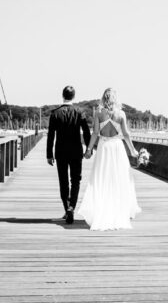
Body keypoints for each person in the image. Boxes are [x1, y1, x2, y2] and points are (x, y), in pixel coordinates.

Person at [77, 88, 141, 230]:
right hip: (117, 148)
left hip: (104, 148)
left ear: (103, 98)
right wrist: (132, 150)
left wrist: (88, 149)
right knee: (119, 179)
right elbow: (126, 134)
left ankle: (102, 211)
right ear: (115, 99)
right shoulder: (121, 114)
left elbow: (94, 133)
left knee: (102, 179)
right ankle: (118, 212)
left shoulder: (99, 113)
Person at [47, 85, 91, 224]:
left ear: (63, 96)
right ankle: (72, 207)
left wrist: (49, 154)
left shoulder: (55, 113)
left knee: (63, 181)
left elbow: (50, 135)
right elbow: (86, 132)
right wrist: (88, 149)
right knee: (76, 180)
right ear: (73, 96)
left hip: (60, 151)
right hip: (76, 151)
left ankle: (67, 209)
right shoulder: (80, 112)